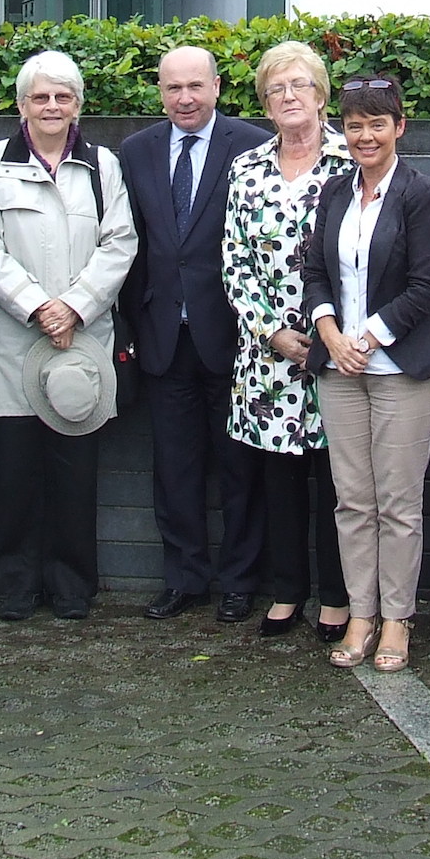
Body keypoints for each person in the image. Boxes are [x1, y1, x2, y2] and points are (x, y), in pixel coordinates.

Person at [0, 50, 137, 621]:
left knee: (74, 471)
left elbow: (120, 244)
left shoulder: (104, 167)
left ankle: (71, 585)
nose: (51, 106)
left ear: (78, 106)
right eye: (40, 97)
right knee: (13, 472)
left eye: (63, 97)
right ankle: (13, 583)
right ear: (21, 106)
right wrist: (40, 306)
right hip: (14, 341)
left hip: (80, 342)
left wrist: (75, 306)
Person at [119, 45, 271, 623]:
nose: (184, 98)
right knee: (174, 468)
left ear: (216, 87)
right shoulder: (137, 151)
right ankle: (184, 579)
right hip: (162, 335)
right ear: (160, 92)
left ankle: (239, 581)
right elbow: (130, 244)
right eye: (172, 88)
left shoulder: (254, 144)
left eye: (195, 87)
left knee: (239, 469)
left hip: (234, 333)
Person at [304, 75, 430, 673]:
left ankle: (396, 619)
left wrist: (369, 336)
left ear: (399, 127)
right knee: (352, 502)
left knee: (398, 503)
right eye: (355, 125)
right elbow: (315, 270)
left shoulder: (422, 195)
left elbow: (429, 284)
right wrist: (331, 333)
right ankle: (359, 614)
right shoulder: (335, 191)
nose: (365, 135)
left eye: (376, 124)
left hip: (400, 371)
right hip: (340, 368)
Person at [221, 41, 353, 641]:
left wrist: (326, 332)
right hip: (266, 353)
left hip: (339, 349)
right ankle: (286, 592)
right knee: (275, 481)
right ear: (265, 104)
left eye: (300, 85)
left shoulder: (351, 162)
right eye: (277, 89)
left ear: (322, 95)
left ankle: (337, 597)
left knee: (336, 481)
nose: (289, 96)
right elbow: (234, 260)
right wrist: (272, 330)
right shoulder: (246, 168)